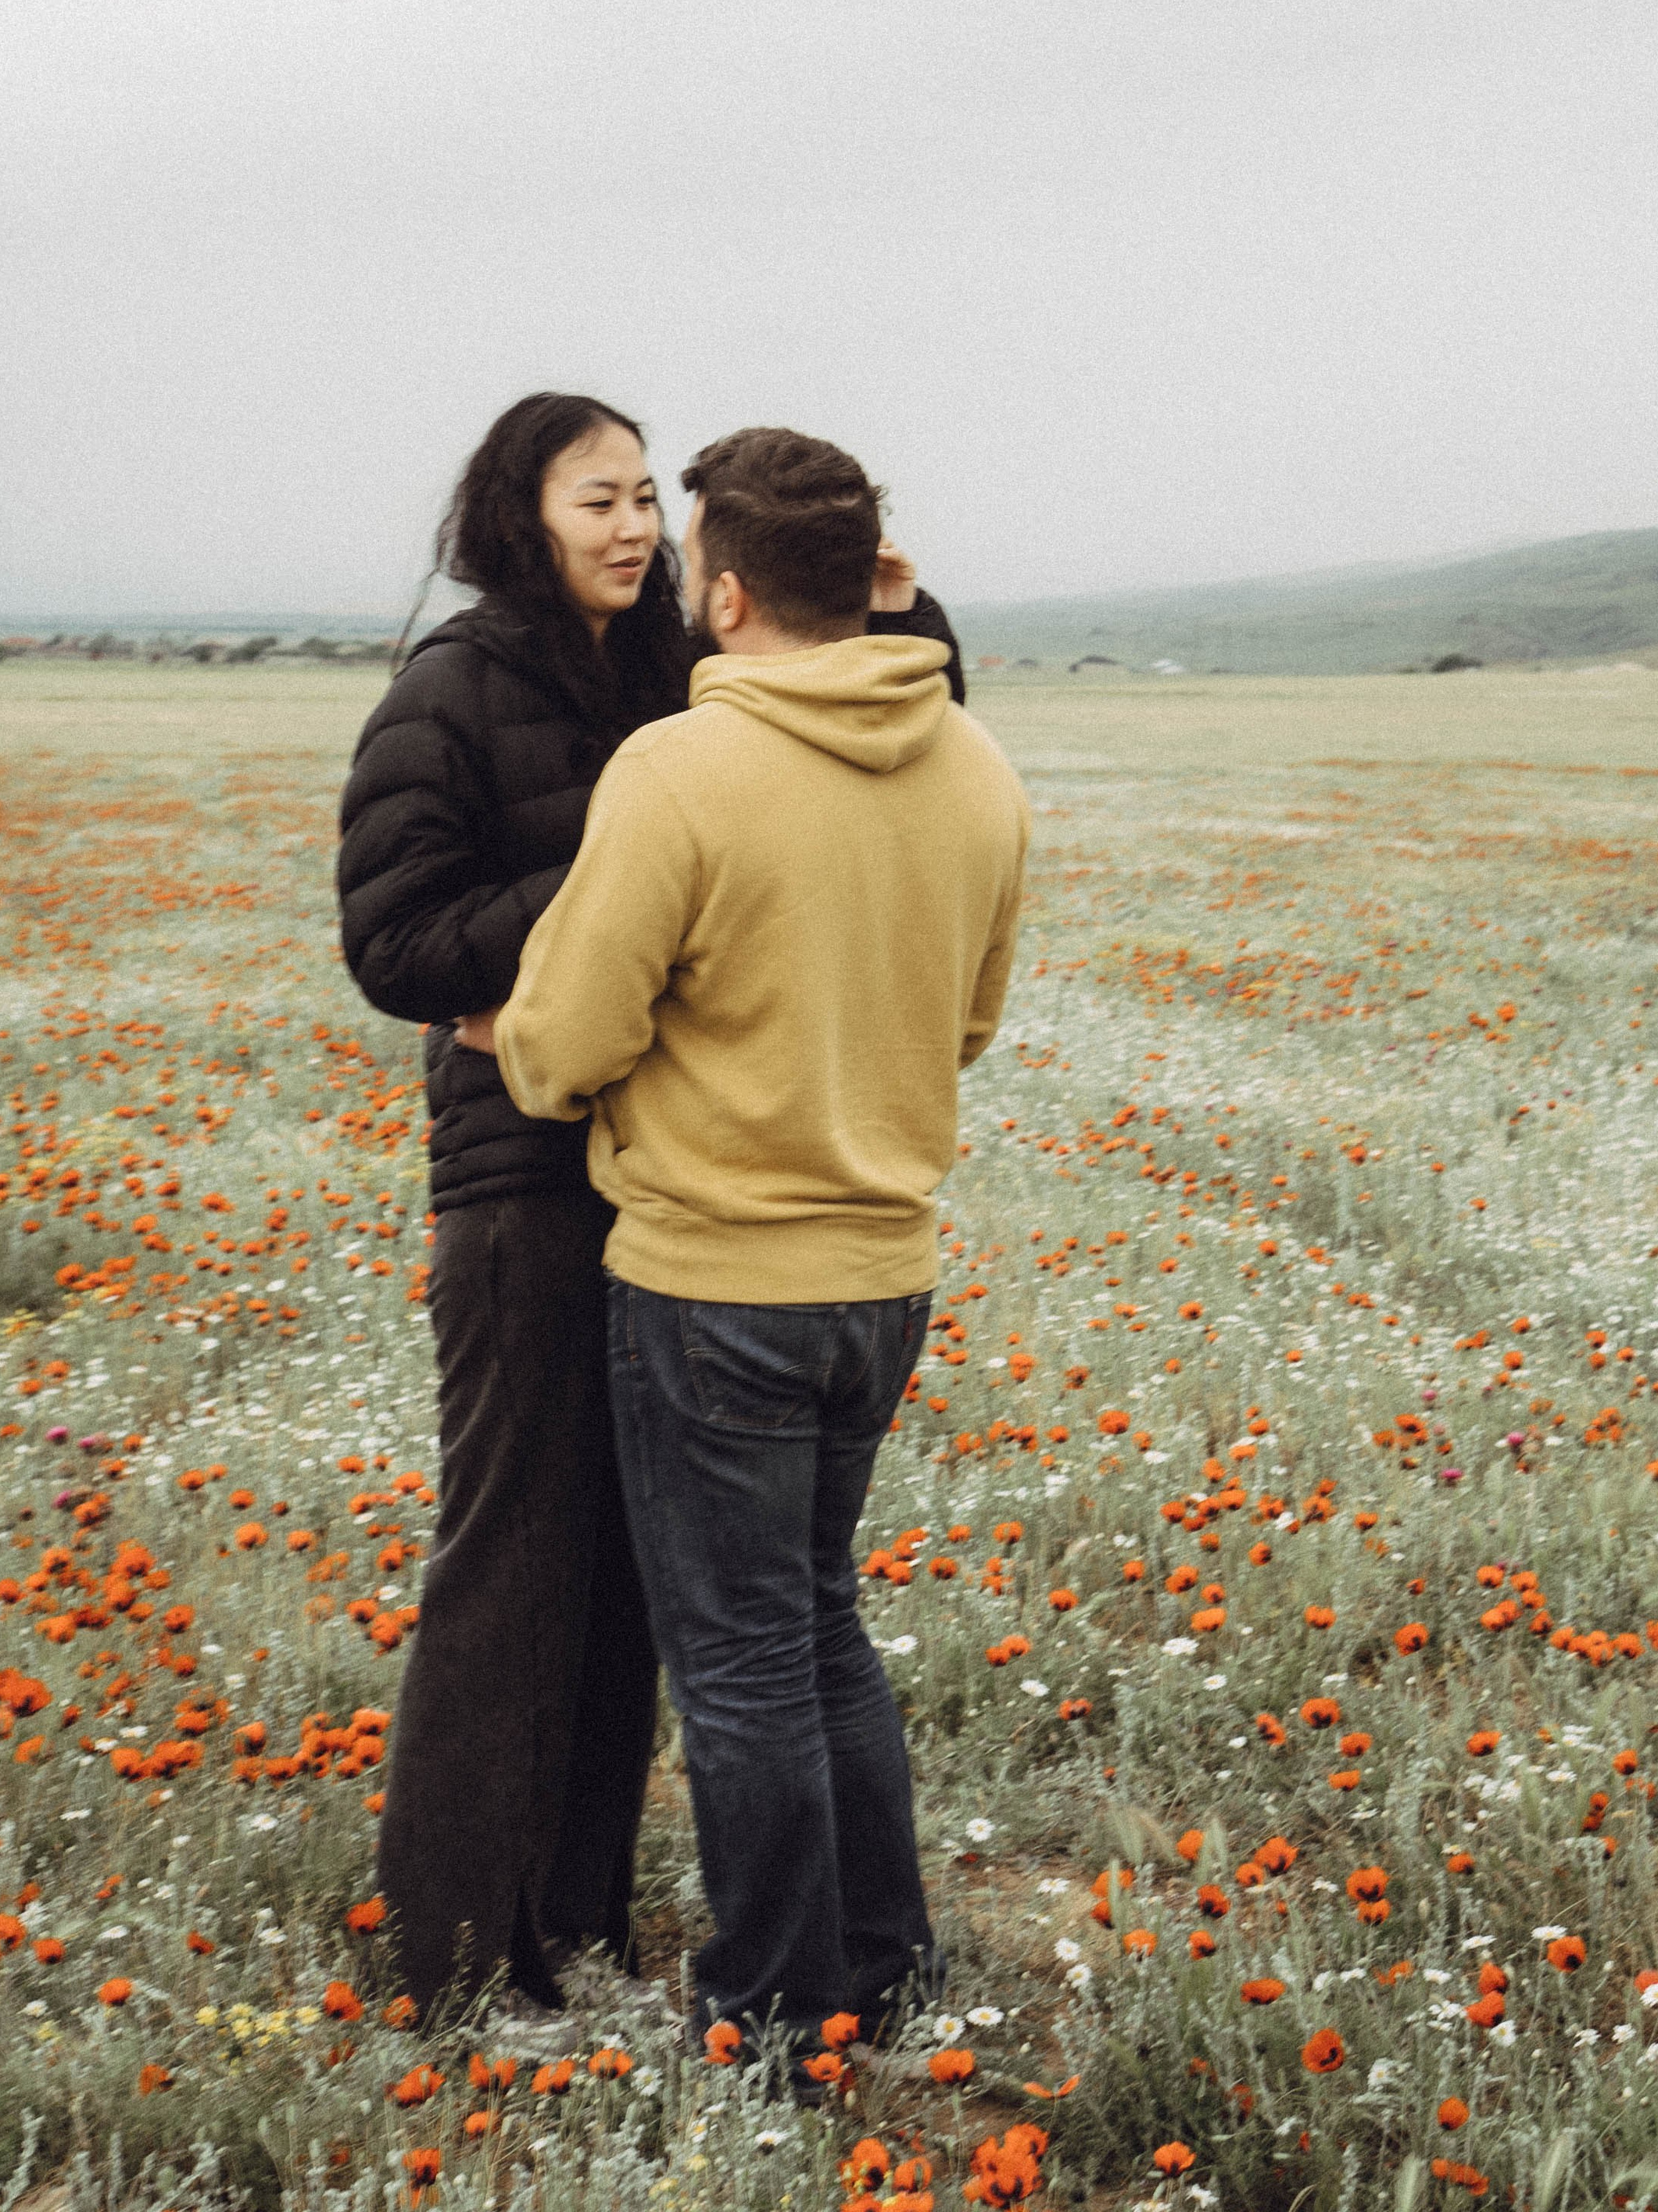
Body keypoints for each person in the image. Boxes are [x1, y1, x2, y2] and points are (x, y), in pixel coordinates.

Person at [336, 394, 961, 2021]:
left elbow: (856, 749)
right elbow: (395, 944)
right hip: (523, 1167)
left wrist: (902, 616)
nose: (629, 530)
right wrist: (630, 891)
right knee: (512, 1560)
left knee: (630, 1578)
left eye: (641, 502)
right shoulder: (453, 687)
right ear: (517, 516)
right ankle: (463, 1956)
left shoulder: (678, 673)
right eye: (594, 501)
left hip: (668, 1169)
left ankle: (581, 1920)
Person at [495, 426, 1030, 2063]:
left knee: (737, 1665)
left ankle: (779, 2015)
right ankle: (882, 1963)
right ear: (865, 576)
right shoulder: (977, 768)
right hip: (884, 1275)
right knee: (817, 1626)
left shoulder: (679, 770)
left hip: (713, 1278)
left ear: (722, 595)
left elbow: (565, 1044)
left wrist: (529, 1042)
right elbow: (969, 1025)